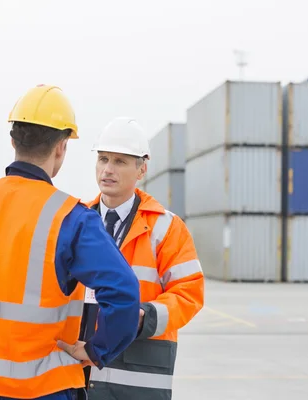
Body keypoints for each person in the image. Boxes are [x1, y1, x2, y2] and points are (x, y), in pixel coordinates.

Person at [0, 86, 142, 400]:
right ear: (61, 147)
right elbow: (124, 291)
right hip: (49, 388)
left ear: (13, 141)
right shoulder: (71, 217)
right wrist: (97, 351)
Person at [80, 117, 205, 400]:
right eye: (103, 159)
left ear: (142, 169)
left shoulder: (166, 228)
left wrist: (143, 317)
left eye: (120, 162)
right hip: (80, 368)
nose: (107, 170)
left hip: (138, 376)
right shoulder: (77, 221)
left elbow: (189, 294)